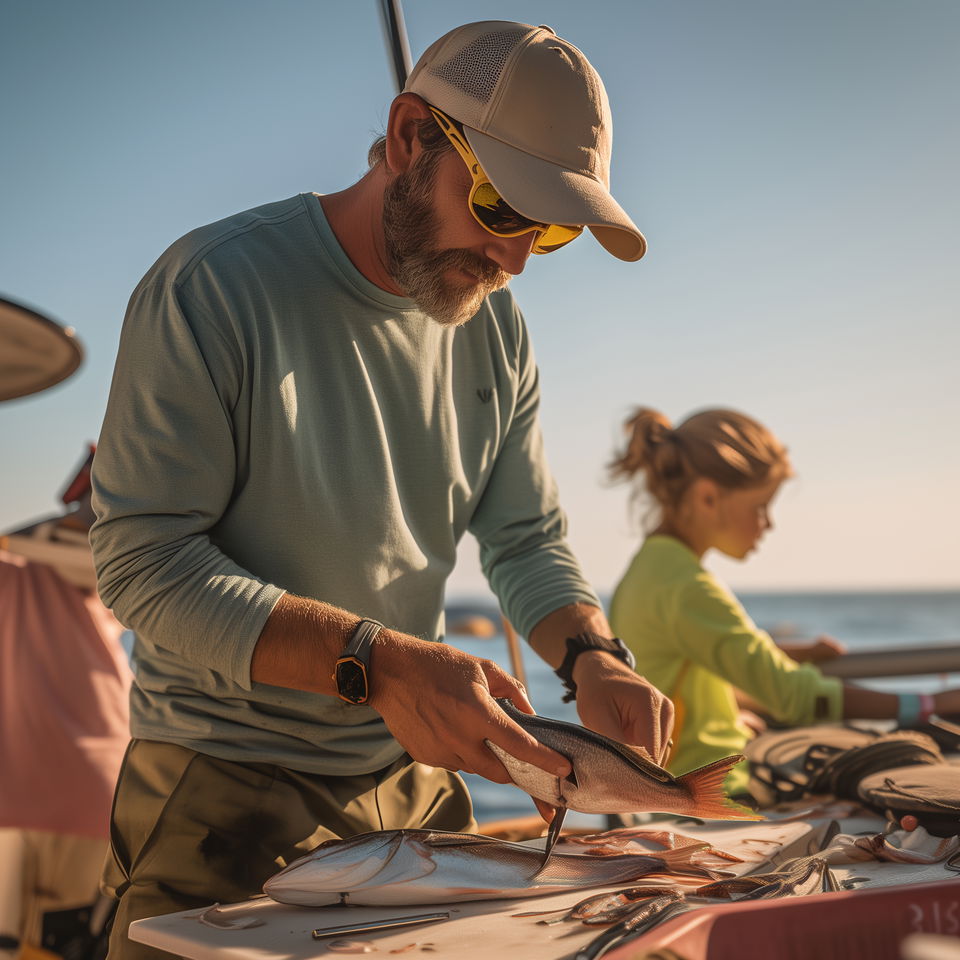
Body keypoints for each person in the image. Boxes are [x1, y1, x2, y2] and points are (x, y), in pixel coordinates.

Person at [89, 20, 672, 958]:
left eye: (550, 229)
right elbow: (142, 563)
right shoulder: (212, 288)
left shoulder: (496, 330)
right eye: (500, 206)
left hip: (413, 783)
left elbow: (524, 539)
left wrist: (594, 655)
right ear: (408, 138)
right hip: (220, 781)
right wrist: (378, 660)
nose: (516, 258)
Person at [606, 406, 960, 800]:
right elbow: (792, 697)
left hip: (669, 789)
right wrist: (928, 703)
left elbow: (688, 666)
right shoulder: (689, 588)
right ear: (708, 497)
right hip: (709, 799)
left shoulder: (646, 573)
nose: (768, 524)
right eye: (760, 507)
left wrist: (786, 662)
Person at [0, 447, 131, 960]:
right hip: (104, 790)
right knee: (69, 945)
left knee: (24, 947)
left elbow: (39, 539)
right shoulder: (123, 580)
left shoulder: (17, 569)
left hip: (31, 791)